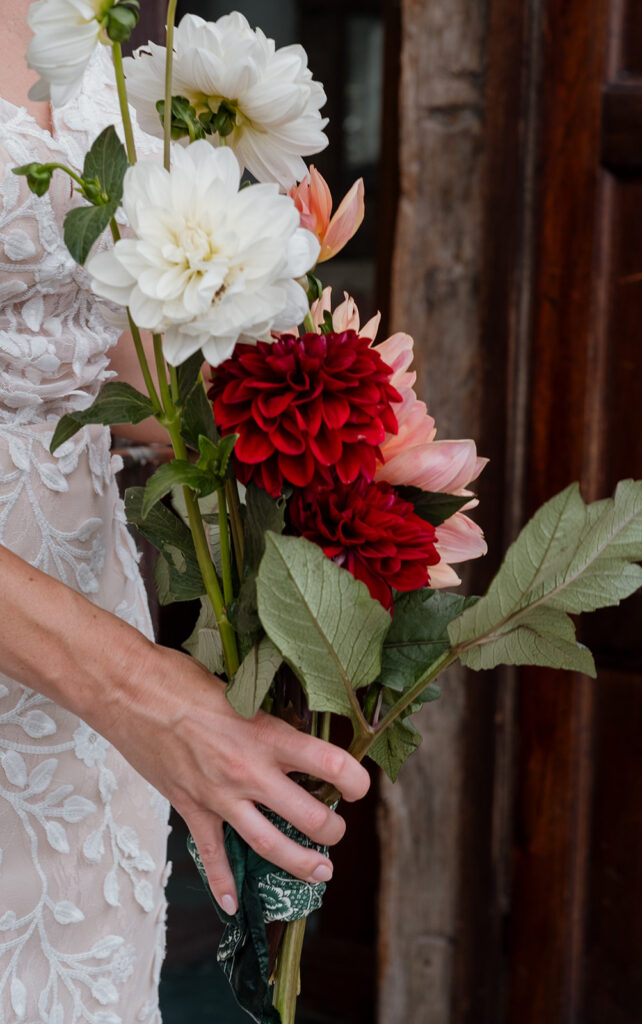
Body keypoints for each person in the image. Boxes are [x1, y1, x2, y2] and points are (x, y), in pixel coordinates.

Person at [0, 3, 370, 1020]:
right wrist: (137, 690)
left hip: (79, 677)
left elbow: (103, 344)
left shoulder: (108, 10)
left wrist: (325, 438)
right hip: (96, 671)